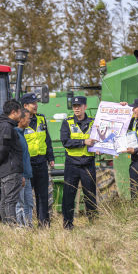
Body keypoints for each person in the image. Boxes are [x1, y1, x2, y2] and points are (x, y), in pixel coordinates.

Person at [59, 96, 97, 229]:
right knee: (68, 195)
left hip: (88, 163)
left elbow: (101, 139)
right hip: (72, 164)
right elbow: (65, 142)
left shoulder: (94, 122)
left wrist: (99, 149)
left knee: (90, 196)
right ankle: (68, 224)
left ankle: (93, 223)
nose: (76, 108)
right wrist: (82, 142)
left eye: (79, 106)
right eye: (74, 106)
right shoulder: (67, 122)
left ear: (85, 107)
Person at [20, 92, 55, 227]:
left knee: (43, 195)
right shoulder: (21, 122)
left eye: (36, 103)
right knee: (27, 196)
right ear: (25, 106)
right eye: (33, 103)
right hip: (27, 163)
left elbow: (47, 139)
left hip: (41, 162)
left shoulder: (41, 119)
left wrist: (50, 157)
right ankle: (26, 223)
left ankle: (44, 223)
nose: (36, 106)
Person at [0, 99, 23, 224]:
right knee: (10, 201)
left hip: (6, 169)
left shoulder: (4, 125)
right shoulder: (6, 127)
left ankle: (7, 228)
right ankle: (11, 228)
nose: (21, 114)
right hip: (11, 169)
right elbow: (3, 148)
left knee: (5, 201)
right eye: (20, 111)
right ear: (14, 112)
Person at [15, 108, 34, 227]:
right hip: (21, 175)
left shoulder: (22, 134)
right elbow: (17, 157)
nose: (29, 121)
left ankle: (29, 225)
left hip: (27, 176)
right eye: (28, 118)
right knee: (20, 203)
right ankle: (21, 226)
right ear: (21, 119)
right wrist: (20, 174)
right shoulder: (16, 135)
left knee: (29, 203)